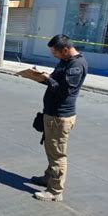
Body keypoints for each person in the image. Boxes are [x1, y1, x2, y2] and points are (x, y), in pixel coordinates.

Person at [30, 34, 88, 202]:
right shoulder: (65, 61)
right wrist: (40, 77)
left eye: (55, 53)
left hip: (60, 117)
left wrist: (47, 79)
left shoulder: (76, 65)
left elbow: (64, 91)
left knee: (58, 154)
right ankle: (48, 177)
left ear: (65, 49)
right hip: (52, 114)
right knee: (51, 149)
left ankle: (55, 191)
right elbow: (56, 81)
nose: (53, 55)